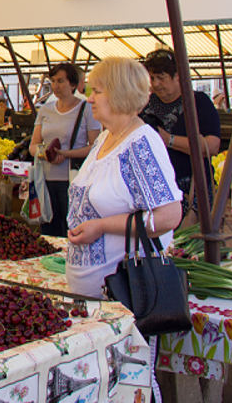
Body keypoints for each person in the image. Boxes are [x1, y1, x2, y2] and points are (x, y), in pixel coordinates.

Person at [66, 57, 183, 298]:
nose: (89, 99)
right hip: (95, 293)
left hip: (126, 296)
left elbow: (168, 217)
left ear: (119, 94)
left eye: (96, 91)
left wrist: (101, 226)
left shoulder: (140, 144)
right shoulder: (104, 139)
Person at [139, 48, 221, 217]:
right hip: (155, 190)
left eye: (161, 78)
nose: (155, 84)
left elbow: (212, 146)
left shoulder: (198, 102)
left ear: (178, 75)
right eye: (152, 78)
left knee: (188, 240)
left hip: (191, 191)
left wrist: (168, 140)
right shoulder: (145, 104)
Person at [29, 63, 101, 237]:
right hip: (45, 180)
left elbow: (95, 147)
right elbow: (33, 145)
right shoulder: (45, 110)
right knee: (48, 230)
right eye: (53, 81)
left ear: (73, 84)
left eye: (61, 81)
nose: (55, 86)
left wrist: (66, 154)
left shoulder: (87, 109)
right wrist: (45, 154)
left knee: (71, 229)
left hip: (73, 179)